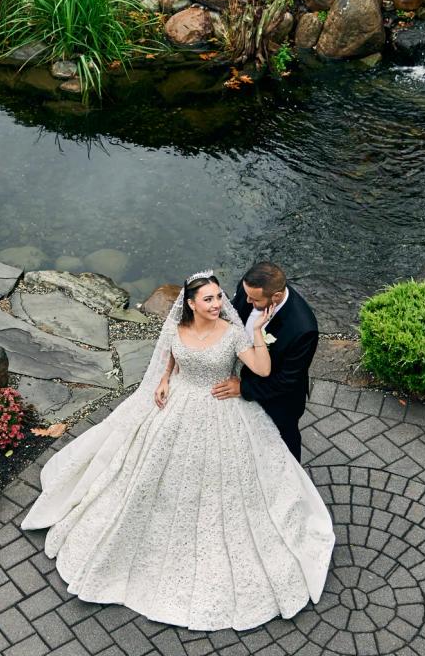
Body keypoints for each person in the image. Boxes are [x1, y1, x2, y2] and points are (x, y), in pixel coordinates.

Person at [20, 270, 334, 631]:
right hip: (179, 407)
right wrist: (166, 378)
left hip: (226, 408)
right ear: (190, 304)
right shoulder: (178, 328)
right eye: (210, 299)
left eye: (220, 298)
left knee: (232, 480)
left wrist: (258, 337)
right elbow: (171, 355)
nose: (222, 304)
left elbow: (265, 370)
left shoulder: (238, 332)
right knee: (153, 473)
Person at [221, 262, 319, 462]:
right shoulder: (251, 287)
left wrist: (243, 388)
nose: (246, 300)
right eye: (246, 293)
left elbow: (287, 380)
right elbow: (231, 317)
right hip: (239, 374)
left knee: (284, 442)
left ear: (276, 296)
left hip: (278, 400)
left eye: (254, 299)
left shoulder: (303, 329)